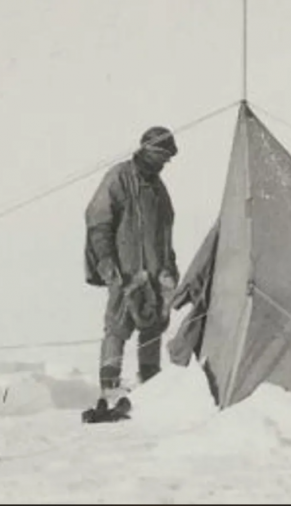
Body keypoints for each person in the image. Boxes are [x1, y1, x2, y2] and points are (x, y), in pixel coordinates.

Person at [85, 126, 180, 396]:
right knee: (117, 327)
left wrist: (168, 268)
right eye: (162, 156)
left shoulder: (159, 189)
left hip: (154, 273)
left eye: (167, 158)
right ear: (148, 151)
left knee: (152, 326)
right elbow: (98, 219)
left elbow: (165, 234)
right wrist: (104, 258)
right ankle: (109, 388)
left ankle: (149, 385)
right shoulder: (119, 178)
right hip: (124, 272)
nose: (164, 163)